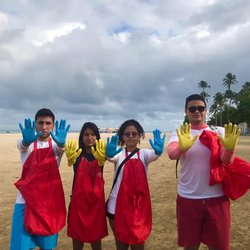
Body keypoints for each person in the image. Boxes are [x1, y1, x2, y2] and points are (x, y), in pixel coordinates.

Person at [167, 94, 241, 250]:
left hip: (217, 198)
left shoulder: (219, 131)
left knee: (219, 246)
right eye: (192, 108)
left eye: (200, 108)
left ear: (206, 110)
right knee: (190, 246)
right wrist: (182, 147)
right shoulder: (181, 133)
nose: (196, 111)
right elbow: (172, 154)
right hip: (188, 197)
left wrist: (230, 148)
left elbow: (227, 160)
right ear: (185, 111)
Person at [10, 108, 70, 250]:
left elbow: (60, 149)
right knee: (21, 246)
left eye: (48, 123)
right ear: (35, 123)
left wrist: (62, 144)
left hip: (48, 205)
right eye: (40, 123)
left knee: (47, 246)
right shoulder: (28, 144)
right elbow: (21, 145)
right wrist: (25, 141)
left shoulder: (55, 146)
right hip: (25, 202)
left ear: (53, 126)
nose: (44, 127)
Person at [105, 119, 165, 250]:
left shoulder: (144, 154)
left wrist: (159, 151)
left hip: (138, 207)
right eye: (127, 134)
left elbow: (154, 155)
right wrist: (108, 155)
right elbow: (111, 158)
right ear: (122, 136)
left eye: (134, 133)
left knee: (138, 243)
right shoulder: (118, 153)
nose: (131, 136)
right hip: (116, 206)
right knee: (121, 244)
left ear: (139, 136)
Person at [65, 122, 108, 250]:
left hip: (96, 204)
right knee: (77, 240)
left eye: (93, 134)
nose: (90, 138)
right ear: (82, 137)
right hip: (78, 203)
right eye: (86, 134)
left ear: (97, 137)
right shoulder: (76, 154)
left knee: (96, 240)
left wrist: (105, 157)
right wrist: (70, 158)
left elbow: (113, 157)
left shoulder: (101, 154)